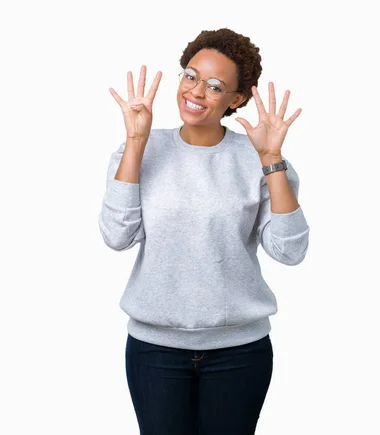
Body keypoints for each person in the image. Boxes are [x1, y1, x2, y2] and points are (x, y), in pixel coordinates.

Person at [99, 28, 310, 435]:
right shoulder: (139, 150)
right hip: (154, 350)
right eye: (190, 76)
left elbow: (289, 250)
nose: (196, 91)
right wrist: (135, 140)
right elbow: (116, 235)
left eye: (215, 86)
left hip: (239, 352)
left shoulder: (257, 159)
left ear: (237, 99)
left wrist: (271, 158)